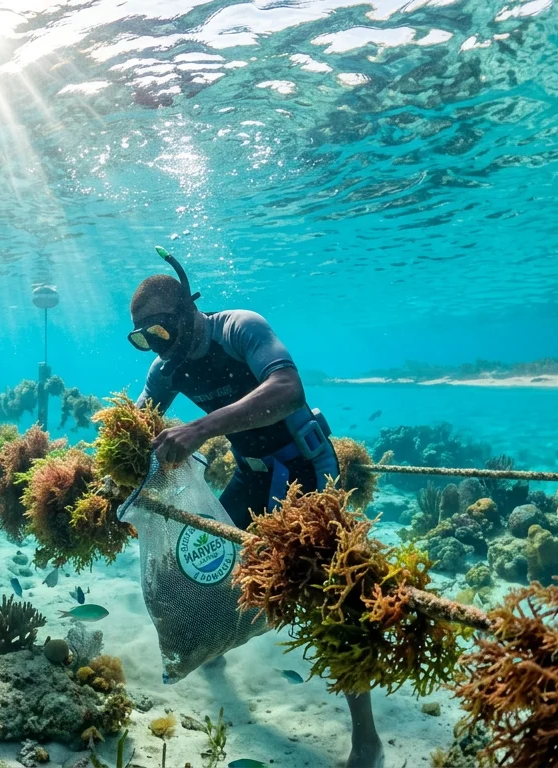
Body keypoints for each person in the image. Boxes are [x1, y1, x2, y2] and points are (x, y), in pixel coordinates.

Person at [130, 246, 385, 768]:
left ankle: (367, 735)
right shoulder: (167, 368)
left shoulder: (239, 328)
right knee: (200, 565)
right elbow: (135, 427)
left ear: (184, 313)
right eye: (142, 340)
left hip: (308, 469)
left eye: (158, 331)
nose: (155, 348)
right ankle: (215, 657)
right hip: (252, 474)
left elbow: (288, 388)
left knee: (332, 596)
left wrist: (201, 427)